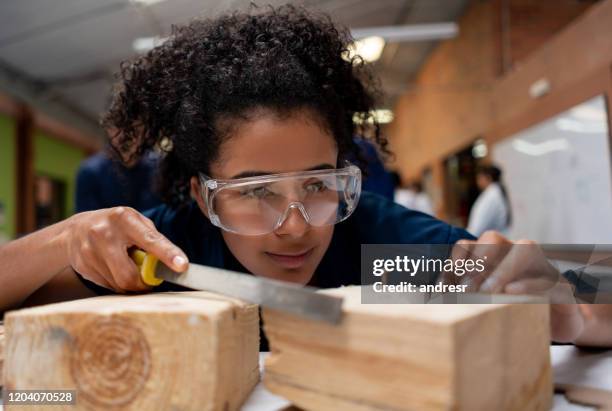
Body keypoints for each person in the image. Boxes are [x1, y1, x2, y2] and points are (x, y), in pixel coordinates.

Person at [0, 6, 610, 347]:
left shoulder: (377, 250)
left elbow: (597, 285)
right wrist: (62, 239)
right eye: (256, 192)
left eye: (319, 185)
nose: (295, 227)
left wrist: (568, 313)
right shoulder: (170, 254)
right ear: (200, 195)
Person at [75, 148, 161, 213]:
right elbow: (86, 223)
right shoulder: (90, 171)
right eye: (117, 125)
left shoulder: (160, 169)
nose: (126, 133)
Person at [467, 165, 511, 237]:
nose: (477, 182)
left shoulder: (490, 197)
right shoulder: (496, 193)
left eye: (479, 178)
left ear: (488, 178)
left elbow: (476, 230)